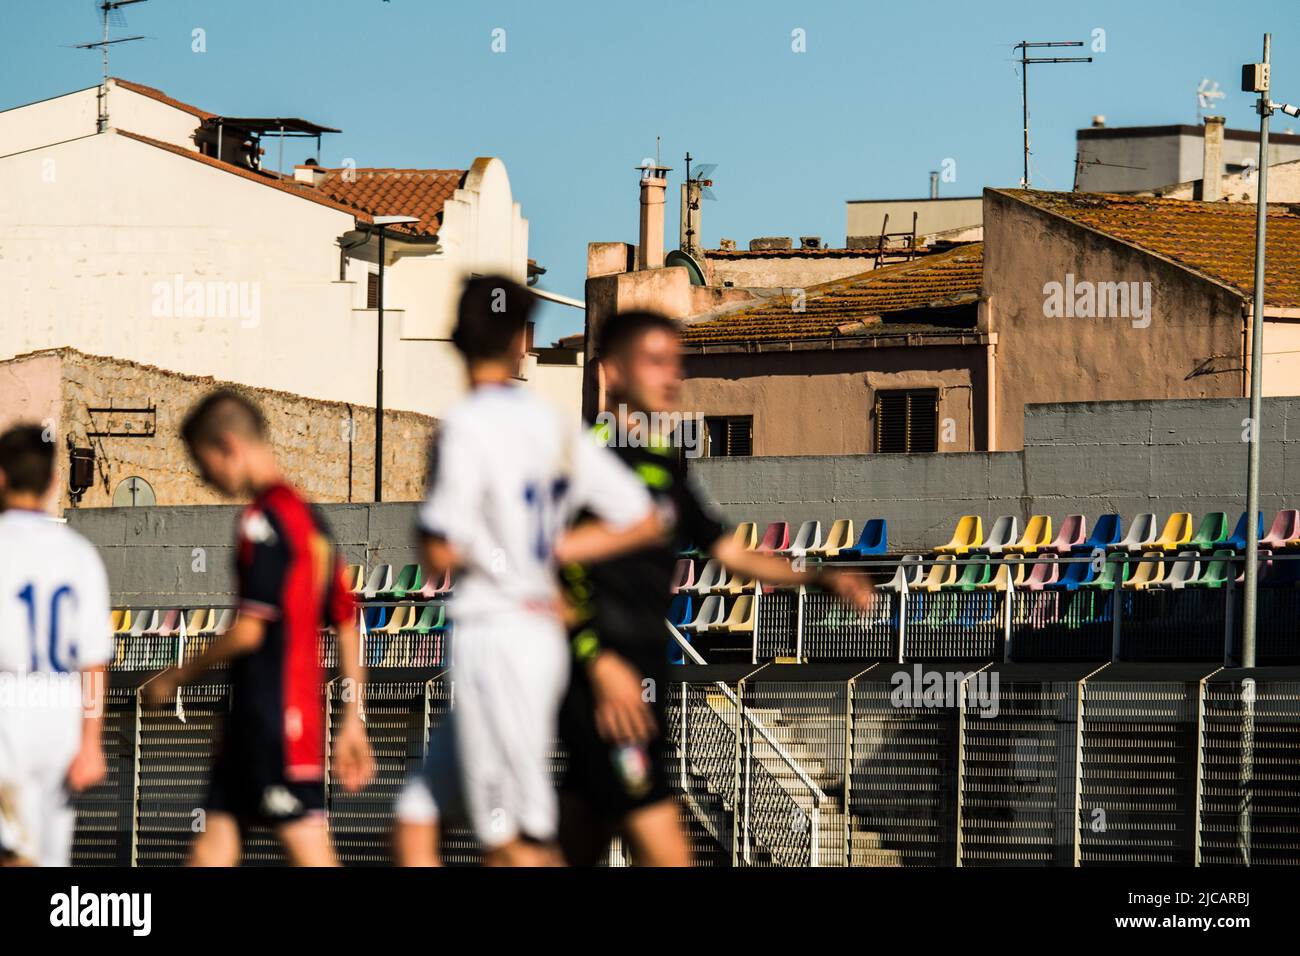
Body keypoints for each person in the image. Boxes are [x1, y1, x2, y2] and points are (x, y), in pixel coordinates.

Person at [556, 310, 875, 866]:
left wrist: (819, 577)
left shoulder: (663, 463)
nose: (671, 376)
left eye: (675, 362)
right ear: (611, 371)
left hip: (645, 679)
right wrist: (599, 662)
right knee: (664, 846)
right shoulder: (577, 459)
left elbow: (727, 551)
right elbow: (547, 569)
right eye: (655, 361)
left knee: (577, 836)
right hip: (601, 689)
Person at [393, 276, 659, 868]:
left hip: (498, 634)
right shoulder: (552, 422)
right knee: (415, 817)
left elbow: (439, 549)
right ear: (522, 341)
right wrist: (551, 550)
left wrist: (508, 556)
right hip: (534, 635)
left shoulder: (466, 424)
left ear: (457, 338)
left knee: (513, 840)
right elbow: (641, 517)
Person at [143, 390, 374, 866]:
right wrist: (352, 717)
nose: (206, 479)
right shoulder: (312, 520)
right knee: (211, 846)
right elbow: (348, 624)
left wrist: (175, 675)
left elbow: (251, 630)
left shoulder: (262, 520)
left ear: (228, 446)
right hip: (252, 724)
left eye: (203, 464)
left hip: (277, 722)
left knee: (308, 852)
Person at [0, 424, 112, 867]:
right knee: (48, 858)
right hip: (61, 716)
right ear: (50, 482)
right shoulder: (79, 553)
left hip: (8, 708)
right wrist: (91, 742)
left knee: (11, 851)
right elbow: (94, 660)